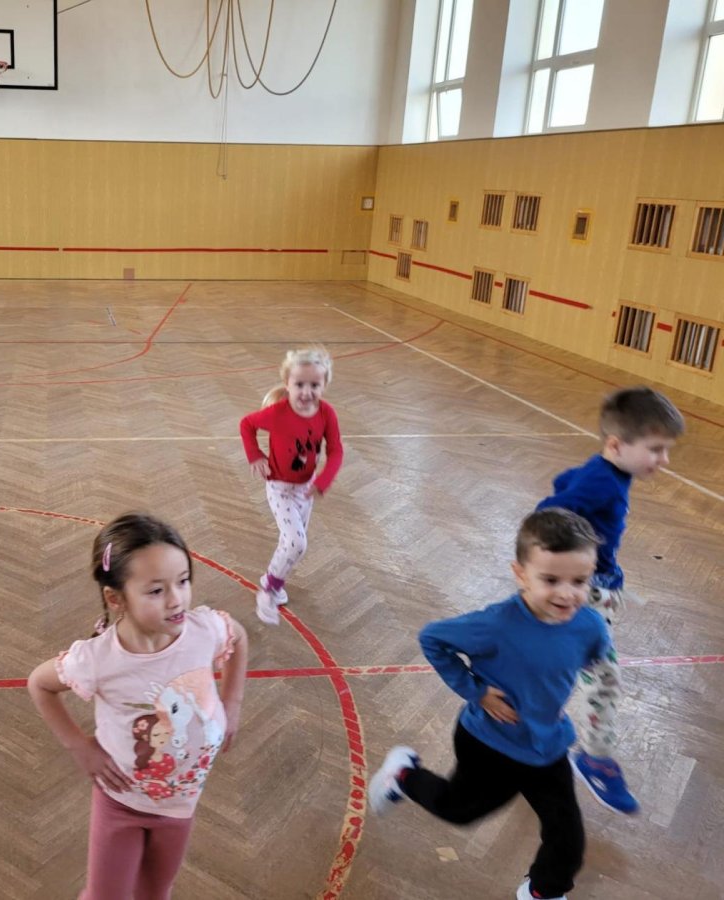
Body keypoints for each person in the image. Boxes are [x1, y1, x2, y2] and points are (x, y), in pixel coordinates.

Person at [369, 508, 611, 900]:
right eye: (551, 580)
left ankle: (542, 892)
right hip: (489, 744)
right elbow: (433, 638)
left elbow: (588, 662)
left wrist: (573, 699)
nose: (567, 593)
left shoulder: (590, 626)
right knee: (458, 810)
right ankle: (403, 775)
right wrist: (476, 691)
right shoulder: (496, 624)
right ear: (521, 574)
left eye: (579, 581)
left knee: (567, 838)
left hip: (546, 748)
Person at [27, 513, 249, 900]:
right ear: (116, 598)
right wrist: (79, 746)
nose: (177, 599)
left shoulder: (204, 631)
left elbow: (239, 637)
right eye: (156, 590)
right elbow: (40, 684)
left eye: (183, 581)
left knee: (155, 893)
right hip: (121, 804)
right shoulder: (97, 659)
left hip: (181, 805)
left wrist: (232, 701)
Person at [535, 386, 684, 814]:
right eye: (655, 449)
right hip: (585, 597)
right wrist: (566, 573)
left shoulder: (604, 472)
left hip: (596, 591)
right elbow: (549, 511)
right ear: (617, 445)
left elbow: (566, 482)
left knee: (562, 670)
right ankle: (595, 758)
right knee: (604, 679)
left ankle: (535, 739)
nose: (663, 460)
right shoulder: (602, 480)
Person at [239, 347, 343, 625]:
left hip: (305, 489)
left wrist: (323, 480)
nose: (306, 392)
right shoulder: (277, 413)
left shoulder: (327, 414)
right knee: (297, 543)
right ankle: (269, 589)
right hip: (280, 488)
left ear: (324, 385)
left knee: (292, 543)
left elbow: (336, 451)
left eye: (314, 385)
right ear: (287, 383)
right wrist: (255, 455)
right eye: (299, 384)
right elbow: (246, 424)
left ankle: (272, 580)